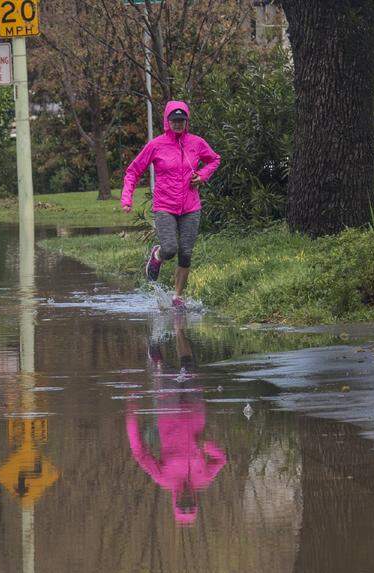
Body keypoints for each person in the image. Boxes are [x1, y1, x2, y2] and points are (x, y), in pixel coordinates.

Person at [121, 101, 221, 310]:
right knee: (170, 248)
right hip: (164, 205)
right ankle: (157, 255)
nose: (178, 124)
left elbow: (214, 159)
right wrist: (126, 198)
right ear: (167, 121)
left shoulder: (196, 142)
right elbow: (133, 171)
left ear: (186, 121)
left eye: (181, 120)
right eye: (174, 120)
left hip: (191, 207)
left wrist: (202, 176)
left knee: (186, 252)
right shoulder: (156, 145)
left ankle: (177, 297)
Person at [125, 321, 226, 524]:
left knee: (163, 368)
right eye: (190, 503)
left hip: (168, 413)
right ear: (196, 502)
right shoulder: (204, 479)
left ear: (176, 502)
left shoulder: (163, 479)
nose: (186, 499)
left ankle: (155, 336)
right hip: (195, 411)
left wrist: (131, 418)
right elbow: (221, 460)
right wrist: (208, 446)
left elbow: (140, 453)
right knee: (188, 364)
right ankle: (178, 327)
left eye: (183, 503)